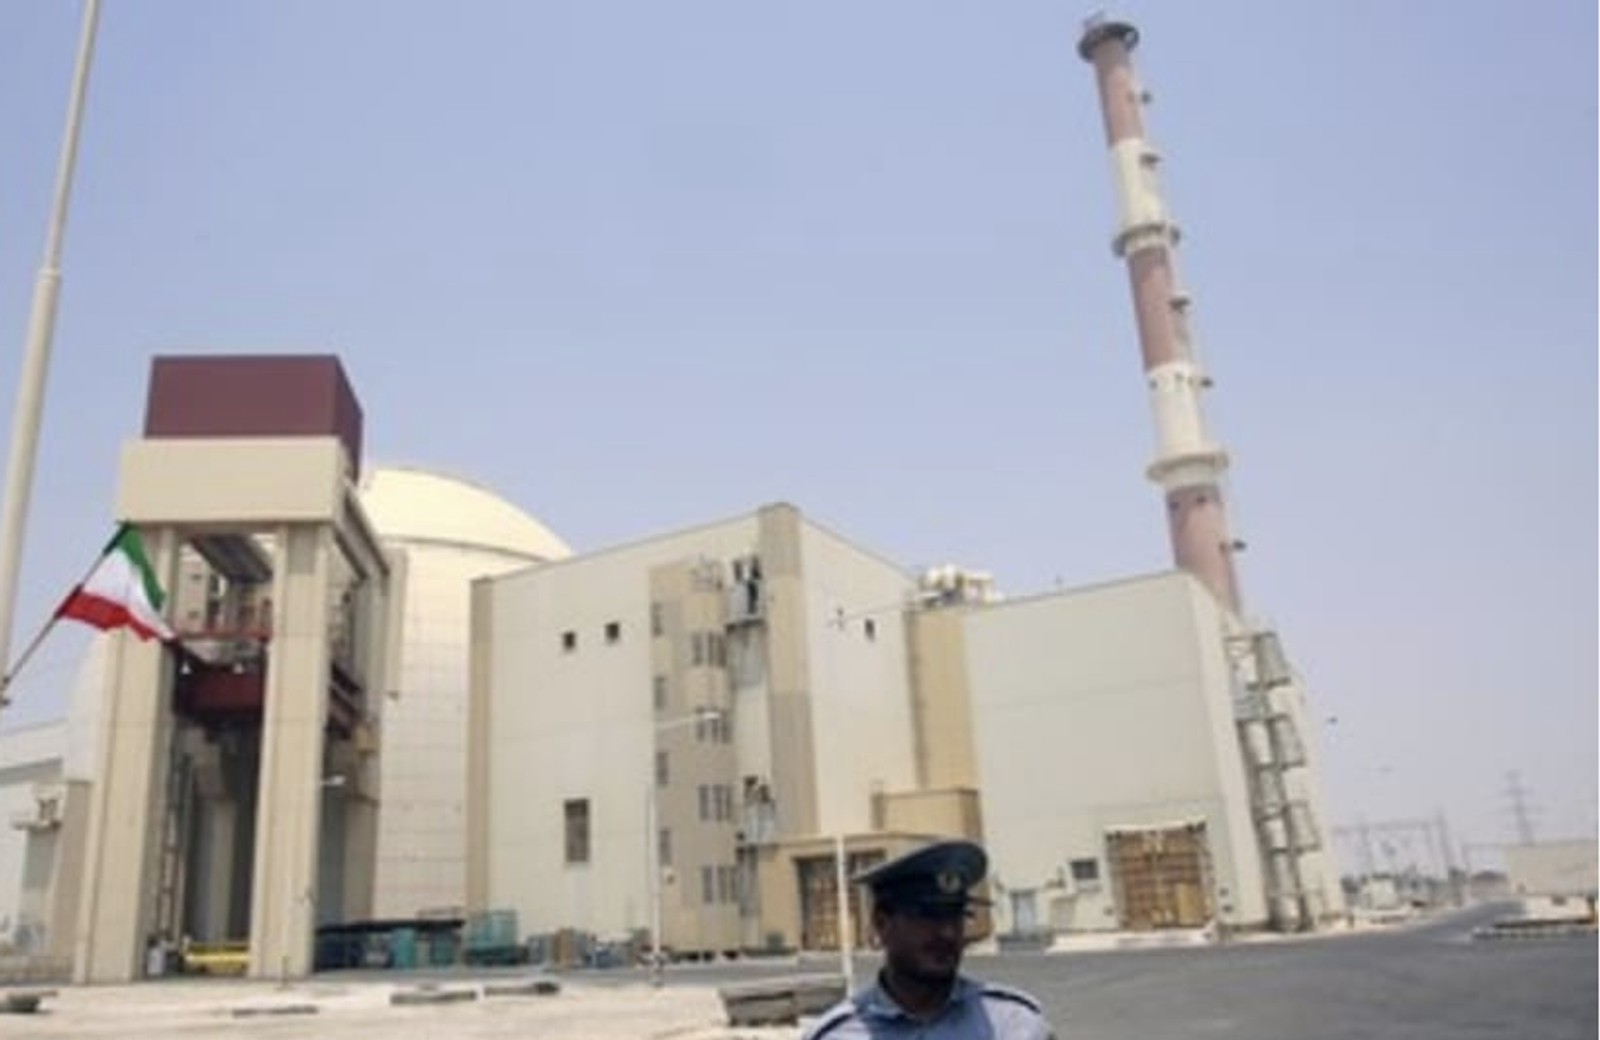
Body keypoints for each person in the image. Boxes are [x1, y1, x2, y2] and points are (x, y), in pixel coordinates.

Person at [803, 838, 1056, 1039]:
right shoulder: (838, 1034)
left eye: (955, 915)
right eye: (928, 915)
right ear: (882, 923)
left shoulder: (1011, 1025)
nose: (947, 932)